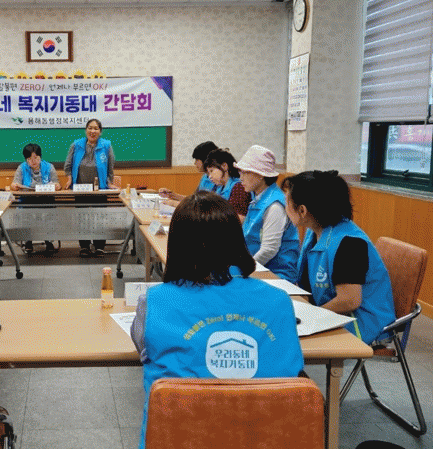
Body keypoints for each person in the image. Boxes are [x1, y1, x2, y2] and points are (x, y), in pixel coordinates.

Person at [130, 191, 303, 449]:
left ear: (176, 245)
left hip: (180, 439)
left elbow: (144, 350)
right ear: (237, 240)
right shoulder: (279, 301)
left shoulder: (153, 302)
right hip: (264, 438)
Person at [282, 170, 395, 344]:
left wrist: (310, 315)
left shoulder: (349, 243)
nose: (284, 206)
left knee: (283, 340)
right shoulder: (315, 233)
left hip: (361, 324)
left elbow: (349, 301)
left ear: (302, 210)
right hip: (336, 315)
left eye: (287, 201)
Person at [235, 145, 299, 282]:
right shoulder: (258, 198)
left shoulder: (274, 205)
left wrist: (244, 271)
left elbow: (269, 249)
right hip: (258, 268)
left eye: (245, 173)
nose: (241, 178)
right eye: (240, 172)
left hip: (277, 274)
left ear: (260, 175)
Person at [63, 118, 117, 256]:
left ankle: (99, 246)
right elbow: (68, 165)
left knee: (100, 218)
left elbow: (110, 166)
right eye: (90, 128)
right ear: (86, 130)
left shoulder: (106, 146)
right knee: (82, 218)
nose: (93, 131)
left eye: (96, 128)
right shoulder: (76, 145)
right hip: (80, 189)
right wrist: (69, 179)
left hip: (100, 189)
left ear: (100, 132)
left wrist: (110, 182)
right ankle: (84, 246)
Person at [10, 143, 60, 254]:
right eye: (29, 159)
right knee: (26, 215)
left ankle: (48, 240)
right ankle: (28, 241)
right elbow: (14, 183)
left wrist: (56, 186)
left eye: (36, 158)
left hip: (46, 199)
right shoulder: (22, 168)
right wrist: (15, 186)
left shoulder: (49, 167)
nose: (33, 161)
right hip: (27, 200)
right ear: (26, 159)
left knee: (49, 215)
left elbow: (57, 183)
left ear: (40, 157)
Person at [158, 141, 217, 207]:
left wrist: (175, 204)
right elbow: (194, 200)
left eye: (197, 159)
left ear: (205, 159)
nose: (195, 163)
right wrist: (173, 195)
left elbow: (204, 207)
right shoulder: (205, 177)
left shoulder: (217, 180)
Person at [205, 148, 250, 220]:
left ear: (224, 166)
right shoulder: (218, 187)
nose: (210, 176)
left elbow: (238, 220)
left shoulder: (239, 188)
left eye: (211, 171)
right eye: (208, 173)